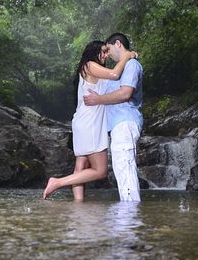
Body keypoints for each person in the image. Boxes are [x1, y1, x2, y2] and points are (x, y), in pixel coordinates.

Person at [42, 40, 137, 200]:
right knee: (100, 171)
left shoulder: (93, 69)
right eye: (104, 51)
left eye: (107, 52)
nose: (106, 55)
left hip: (84, 121)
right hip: (90, 123)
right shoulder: (90, 65)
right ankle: (58, 182)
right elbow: (115, 74)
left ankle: (79, 204)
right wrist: (126, 56)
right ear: (94, 52)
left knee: (81, 164)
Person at [83, 33, 143, 202]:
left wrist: (98, 100)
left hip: (125, 122)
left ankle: (129, 218)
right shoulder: (119, 68)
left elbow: (125, 93)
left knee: (126, 169)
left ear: (118, 44)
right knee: (122, 170)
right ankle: (128, 217)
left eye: (108, 50)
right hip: (118, 126)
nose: (107, 54)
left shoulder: (131, 65)